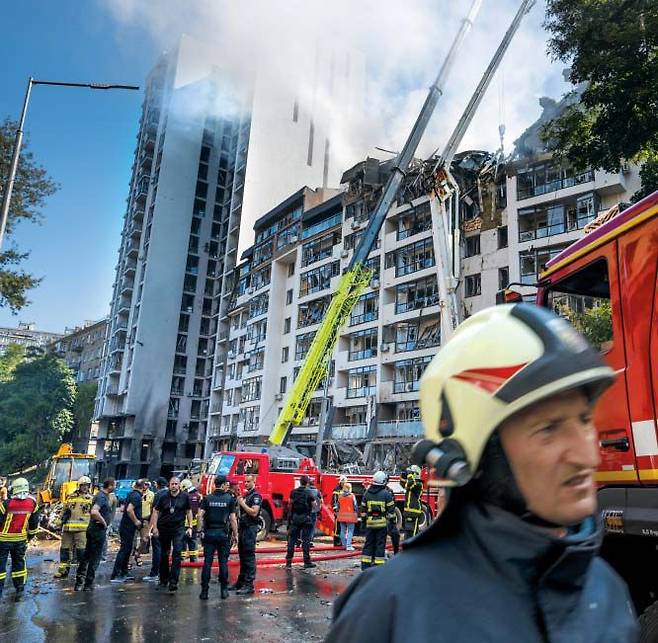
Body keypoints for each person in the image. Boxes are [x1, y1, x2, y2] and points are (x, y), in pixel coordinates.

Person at [326, 304, 638, 642]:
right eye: (549, 429)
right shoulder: (392, 609)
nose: (588, 456)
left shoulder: (606, 590)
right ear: (478, 453)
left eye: (585, 421)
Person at [197, 475, 238, 600]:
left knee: (207, 563)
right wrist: (235, 534)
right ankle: (224, 590)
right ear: (223, 484)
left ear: (215, 484)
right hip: (222, 534)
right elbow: (232, 519)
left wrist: (200, 530)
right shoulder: (229, 499)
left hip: (209, 533)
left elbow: (199, 516)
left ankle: (204, 591)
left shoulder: (207, 498)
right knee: (223, 563)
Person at [149, 477, 193, 592]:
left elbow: (189, 511)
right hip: (164, 528)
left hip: (178, 528)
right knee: (164, 553)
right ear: (169, 485)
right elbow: (155, 511)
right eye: (172, 484)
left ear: (179, 485)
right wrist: (154, 528)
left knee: (177, 552)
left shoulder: (184, 496)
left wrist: (190, 527)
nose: (174, 486)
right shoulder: (163, 496)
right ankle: (164, 579)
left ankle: (174, 581)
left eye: (176, 484)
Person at [0, 477, 40, 600]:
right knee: (19, 564)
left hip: (3, 541)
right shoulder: (33, 503)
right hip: (20, 540)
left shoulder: (6, 504)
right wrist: (29, 537)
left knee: (1, 566)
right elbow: (34, 524)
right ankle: (20, 588)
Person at [75, 478, 116, 591]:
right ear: (110, 486)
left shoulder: (99, 495)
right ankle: (88, 584)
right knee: (95, 557)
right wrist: (104, 523)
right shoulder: (102, 497)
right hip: (97, 530)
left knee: (87, 556)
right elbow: (94, 511)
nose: (115, 487)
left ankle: (79, 582)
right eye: (115, 485)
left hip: (93, 529)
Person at [54, 475, 93, 579]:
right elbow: (64, 511)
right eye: (83, 485)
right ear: (79, 486)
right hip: (68, 529)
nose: (85, 487)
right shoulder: (71, 497)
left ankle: (81, 572)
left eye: (87, 485)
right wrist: (59, 523)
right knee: (64, 550)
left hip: (82, 530)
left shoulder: (91, 499)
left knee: (81, 551)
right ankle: (63, 570)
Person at [229, 474, 262, 595]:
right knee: (242, 556)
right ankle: (241, 582)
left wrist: (242, 503)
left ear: (254, 482)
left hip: (250, 529)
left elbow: (254, 512)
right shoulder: (247, 495)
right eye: (245, 481)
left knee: (249, 557)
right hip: (243, 528)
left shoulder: (256, 496)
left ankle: (249, 584)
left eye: (248, 481)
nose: (246, 484)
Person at [359, 471, 396, 569]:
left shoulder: (367, 493)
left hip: (370, 524)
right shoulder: (386, 494)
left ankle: (365, 565)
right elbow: (392, 512)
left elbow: (362, 510)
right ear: (383, 481)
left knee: (368, 544)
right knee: (380, 545)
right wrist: (393, 523)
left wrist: (363, 522)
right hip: (381, 525)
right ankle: (378, 566)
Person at [111, 479, 144, 583]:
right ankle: (116, 574)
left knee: (127, 549)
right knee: (124, 550)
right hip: (128, 527)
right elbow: (129, 509)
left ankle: (124, 572)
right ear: (143, 487)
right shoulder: (136, 496)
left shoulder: (131, 494)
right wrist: (136, 521)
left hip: (127, 527)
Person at [285, 475, 316, 569]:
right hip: (306, 518)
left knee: (292, 540)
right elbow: (314, 505)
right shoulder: (309, 492)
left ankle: (288, 563)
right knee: (306, 541)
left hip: (295, 518)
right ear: (307, 483)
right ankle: (307, 562)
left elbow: (289, 504)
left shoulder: (293, 492)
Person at [143, 477, 168, 582]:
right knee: (165, 550)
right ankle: (164, 573)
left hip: (158, 525)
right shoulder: (170, 493)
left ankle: (155, 573)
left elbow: (154, 512)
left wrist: (150, 528)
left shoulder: (158, 495)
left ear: (158, 485)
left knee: (157, 549)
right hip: (169, 526)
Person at [180, 478, 202, 562]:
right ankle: (194, 559)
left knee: (183, 541)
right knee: (193, 541)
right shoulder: (198, 495)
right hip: (194, 523)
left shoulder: (184, 496)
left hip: (183, 523)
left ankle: (182, 558)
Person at [134, 480, 154, 567]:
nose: (145, 486)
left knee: (145, 539)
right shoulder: (136, 494)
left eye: (146, 485)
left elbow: (153, 508)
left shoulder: (151, 495)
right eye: (143, 485)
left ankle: (138, 553)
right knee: (132, 540)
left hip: (145, 519)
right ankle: (129, 560)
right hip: (135, 519)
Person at [401, 465, 424, 539]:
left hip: (414, 511)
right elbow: (403, 484)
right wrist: (404, 475)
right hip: (408, 511)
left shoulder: (418, 484)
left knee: (413, 532)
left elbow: (410, 484)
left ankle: (412, 547)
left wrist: (410, 474)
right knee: (407, 531)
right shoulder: (411, 483)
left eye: (411, 473)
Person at [336, 482, 358, 551]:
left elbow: (337, 507)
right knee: (350, 531)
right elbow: (355, 506)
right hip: (350, 516)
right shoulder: (352, 496)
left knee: (342, 530)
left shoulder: (340, 496)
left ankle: (344, 545)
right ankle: (348, 546)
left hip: (341, 515)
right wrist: (356, 513)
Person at [101, 485, 118, 563]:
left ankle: (103, 556)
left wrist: (110, 522)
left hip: (106, 521)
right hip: (103, 520)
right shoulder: (105, 496)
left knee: (104, 538)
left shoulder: (111, 497)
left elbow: (111, 510)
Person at [331, 476, 347, 546]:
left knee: (343, 527)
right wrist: (335, 509)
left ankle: (342, 540)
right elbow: (334, 500)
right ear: (340, 482)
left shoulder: (345, 489)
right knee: (337, 527)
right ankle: (337, 542)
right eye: (343, 482)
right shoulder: (336, 489)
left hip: (344, 511)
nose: (344, 484)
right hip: (338, 511)